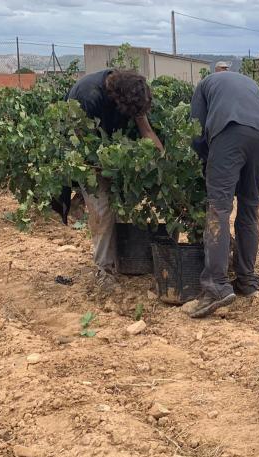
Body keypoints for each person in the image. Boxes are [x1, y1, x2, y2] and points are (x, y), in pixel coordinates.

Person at [66, 68, 164, 291]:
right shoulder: (87, 97)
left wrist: (161, 162)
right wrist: (106, 169)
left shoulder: (131, 93)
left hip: (113, 154)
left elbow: (146, 130)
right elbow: (80, 146)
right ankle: (104, 272)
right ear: (116, 99)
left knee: (117, 206)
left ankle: (119, 259)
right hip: (87, 157)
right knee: (102, 209)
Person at [186, 67, 259, 318]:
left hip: (229, 131)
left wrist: (206, 161)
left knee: (219, 208)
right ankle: (246, 280)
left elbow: (196, 131)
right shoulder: (250, 83)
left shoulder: (205, 84)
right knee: (249, 207)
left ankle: (216, 286)